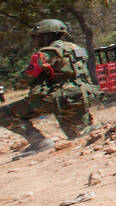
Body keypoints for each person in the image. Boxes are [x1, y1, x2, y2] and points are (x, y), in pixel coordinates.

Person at [0, 19, 101, 160]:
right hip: (82, 95)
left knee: (3, 114)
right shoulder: (76, 48)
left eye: (35, 36)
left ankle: (40, 143)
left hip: (57, 98)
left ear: (46, 35)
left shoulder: (47, 53)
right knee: (81, 135)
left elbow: (24, 79)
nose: (34, 40)